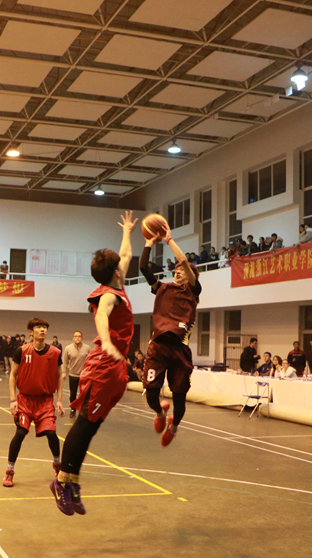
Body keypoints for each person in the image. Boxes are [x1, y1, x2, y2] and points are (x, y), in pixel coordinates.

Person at [52, 212, 136, 517]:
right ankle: (61, 481)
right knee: (84, 424)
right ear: (116, 273)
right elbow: (101, 316)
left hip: (114, 368)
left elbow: (125, 254)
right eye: (120, 265)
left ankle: (73, 481)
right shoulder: (109, 295)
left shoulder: (117, 284)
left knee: (92, 427)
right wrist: (109, 342)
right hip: (103, 364)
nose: (124, 265)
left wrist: (127, 232)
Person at [139, 222, 202, 447]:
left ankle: (174, 427)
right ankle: (159, 413)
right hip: (158, 346)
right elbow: (143, 268)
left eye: (182, 270)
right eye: (175, 269)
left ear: (191, 276)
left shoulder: (192, 291)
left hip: (179, 350)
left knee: (180, 400)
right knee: (151, 396)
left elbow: (183, 260)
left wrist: (169, 240)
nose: (178, 270)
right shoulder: (162, 288)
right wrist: (149, 243)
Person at [3, 318, 64, 487]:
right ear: (31, 331)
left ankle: (58, 465)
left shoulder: (55, 353)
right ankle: (9, 470)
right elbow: (13, 375)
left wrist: (59, 400)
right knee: (20, 433)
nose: (43, 330)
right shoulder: (22, 351)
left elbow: (60, 376)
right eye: (39, 327)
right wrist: (13, 400)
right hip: (25, 400)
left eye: (45, 327)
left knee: (51, 433)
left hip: (45, 401)